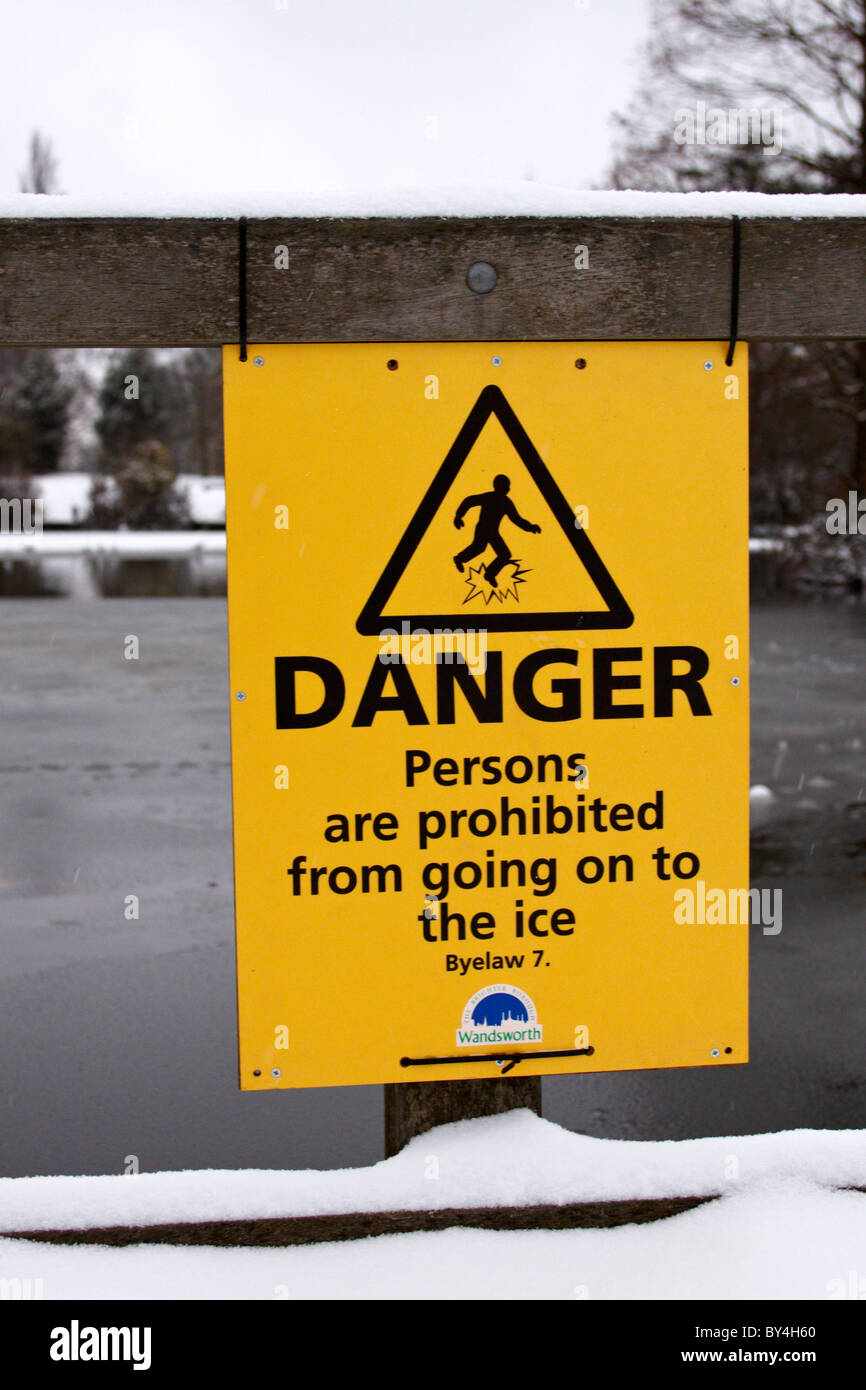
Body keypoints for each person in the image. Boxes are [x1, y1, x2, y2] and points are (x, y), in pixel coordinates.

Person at [453, 474, 541, 587]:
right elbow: (469, 501)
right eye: (507, 486)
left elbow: (517, 519)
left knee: (503, 554)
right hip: (483, 529)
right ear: (500, 486)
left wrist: (531, 527)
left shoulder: (506, 502)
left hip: (492, 531)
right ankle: (460, 559)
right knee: (480, 548)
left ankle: (488, 573)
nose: (509, 489)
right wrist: (459, 516)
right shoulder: (490, 497)